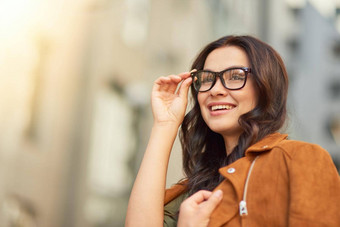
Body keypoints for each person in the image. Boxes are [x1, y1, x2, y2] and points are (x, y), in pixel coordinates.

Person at [125, 35, 340, 227]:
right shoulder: (192, 192)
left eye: (235, 76)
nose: (216, 90)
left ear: (265, 86)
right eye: (207, 79)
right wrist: (165, 124)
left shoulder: (299, 160)